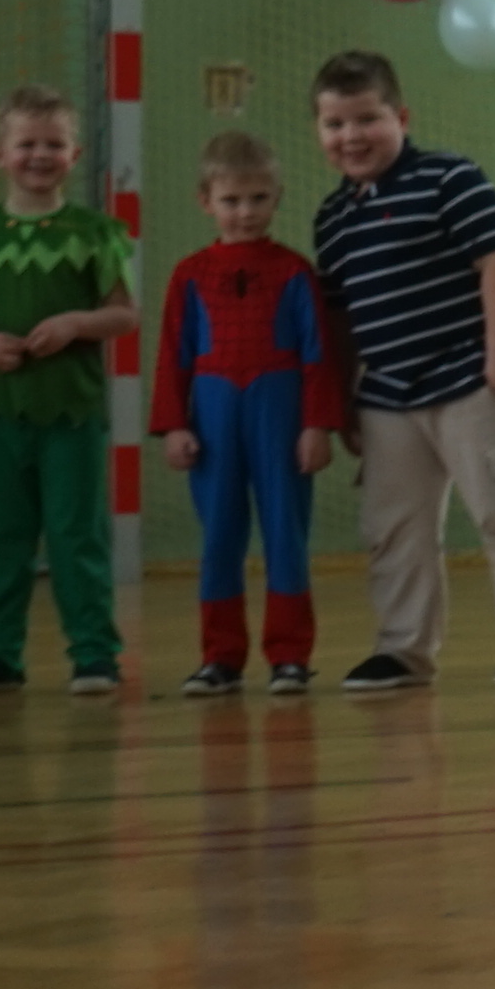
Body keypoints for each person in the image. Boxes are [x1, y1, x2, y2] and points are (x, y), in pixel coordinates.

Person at [308, 50, 495, 693]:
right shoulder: (333, 219)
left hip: (472, 382)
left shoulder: (449, 178)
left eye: (367, 119)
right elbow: (339, 317)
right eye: (335, 124)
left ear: (400, 118)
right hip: (387, 397)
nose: (351, 136)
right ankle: (403, 649)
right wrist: (344, 400)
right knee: (393, 528)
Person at [0, 86, 143, 698]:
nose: (40, 155)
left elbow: (125, 315)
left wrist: (76, 323)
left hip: (72, 413)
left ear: (75, 154)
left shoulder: (96, 232)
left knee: (78, 535)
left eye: (54, 144)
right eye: (27, 143)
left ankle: (94, 653)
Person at [151, 127, 347, 697]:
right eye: (231, 200)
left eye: (258, 198)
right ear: (205, 201)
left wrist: (317, 425)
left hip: (280, 414)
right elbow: (173, 354)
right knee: (220, 537)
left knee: (286, 533)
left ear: (277, 198)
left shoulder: (295, 272)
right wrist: (174, 425)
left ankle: (289, 656)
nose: (245, 212)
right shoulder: (189, 275)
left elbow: (317, 354)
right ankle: (220, 658)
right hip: (213, 417)